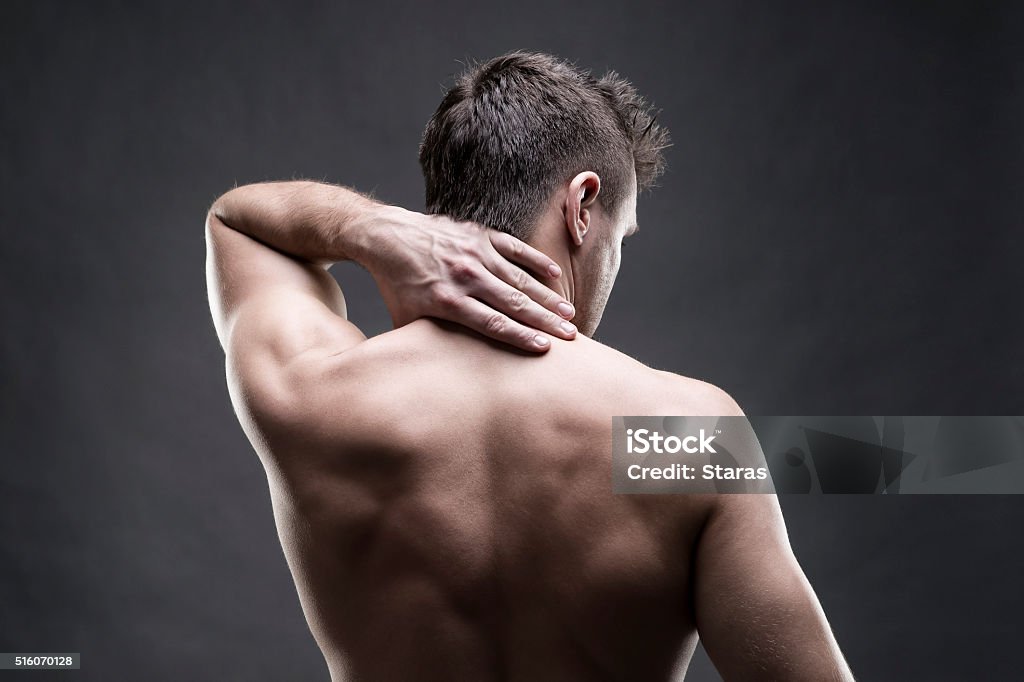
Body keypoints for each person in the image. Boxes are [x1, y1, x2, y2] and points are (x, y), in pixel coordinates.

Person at [205, 51, 854, 681]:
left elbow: (235, 221)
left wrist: (371, 226)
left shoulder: (316, 395)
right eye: (619, 236)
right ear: (582, 206)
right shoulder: (689, 436)